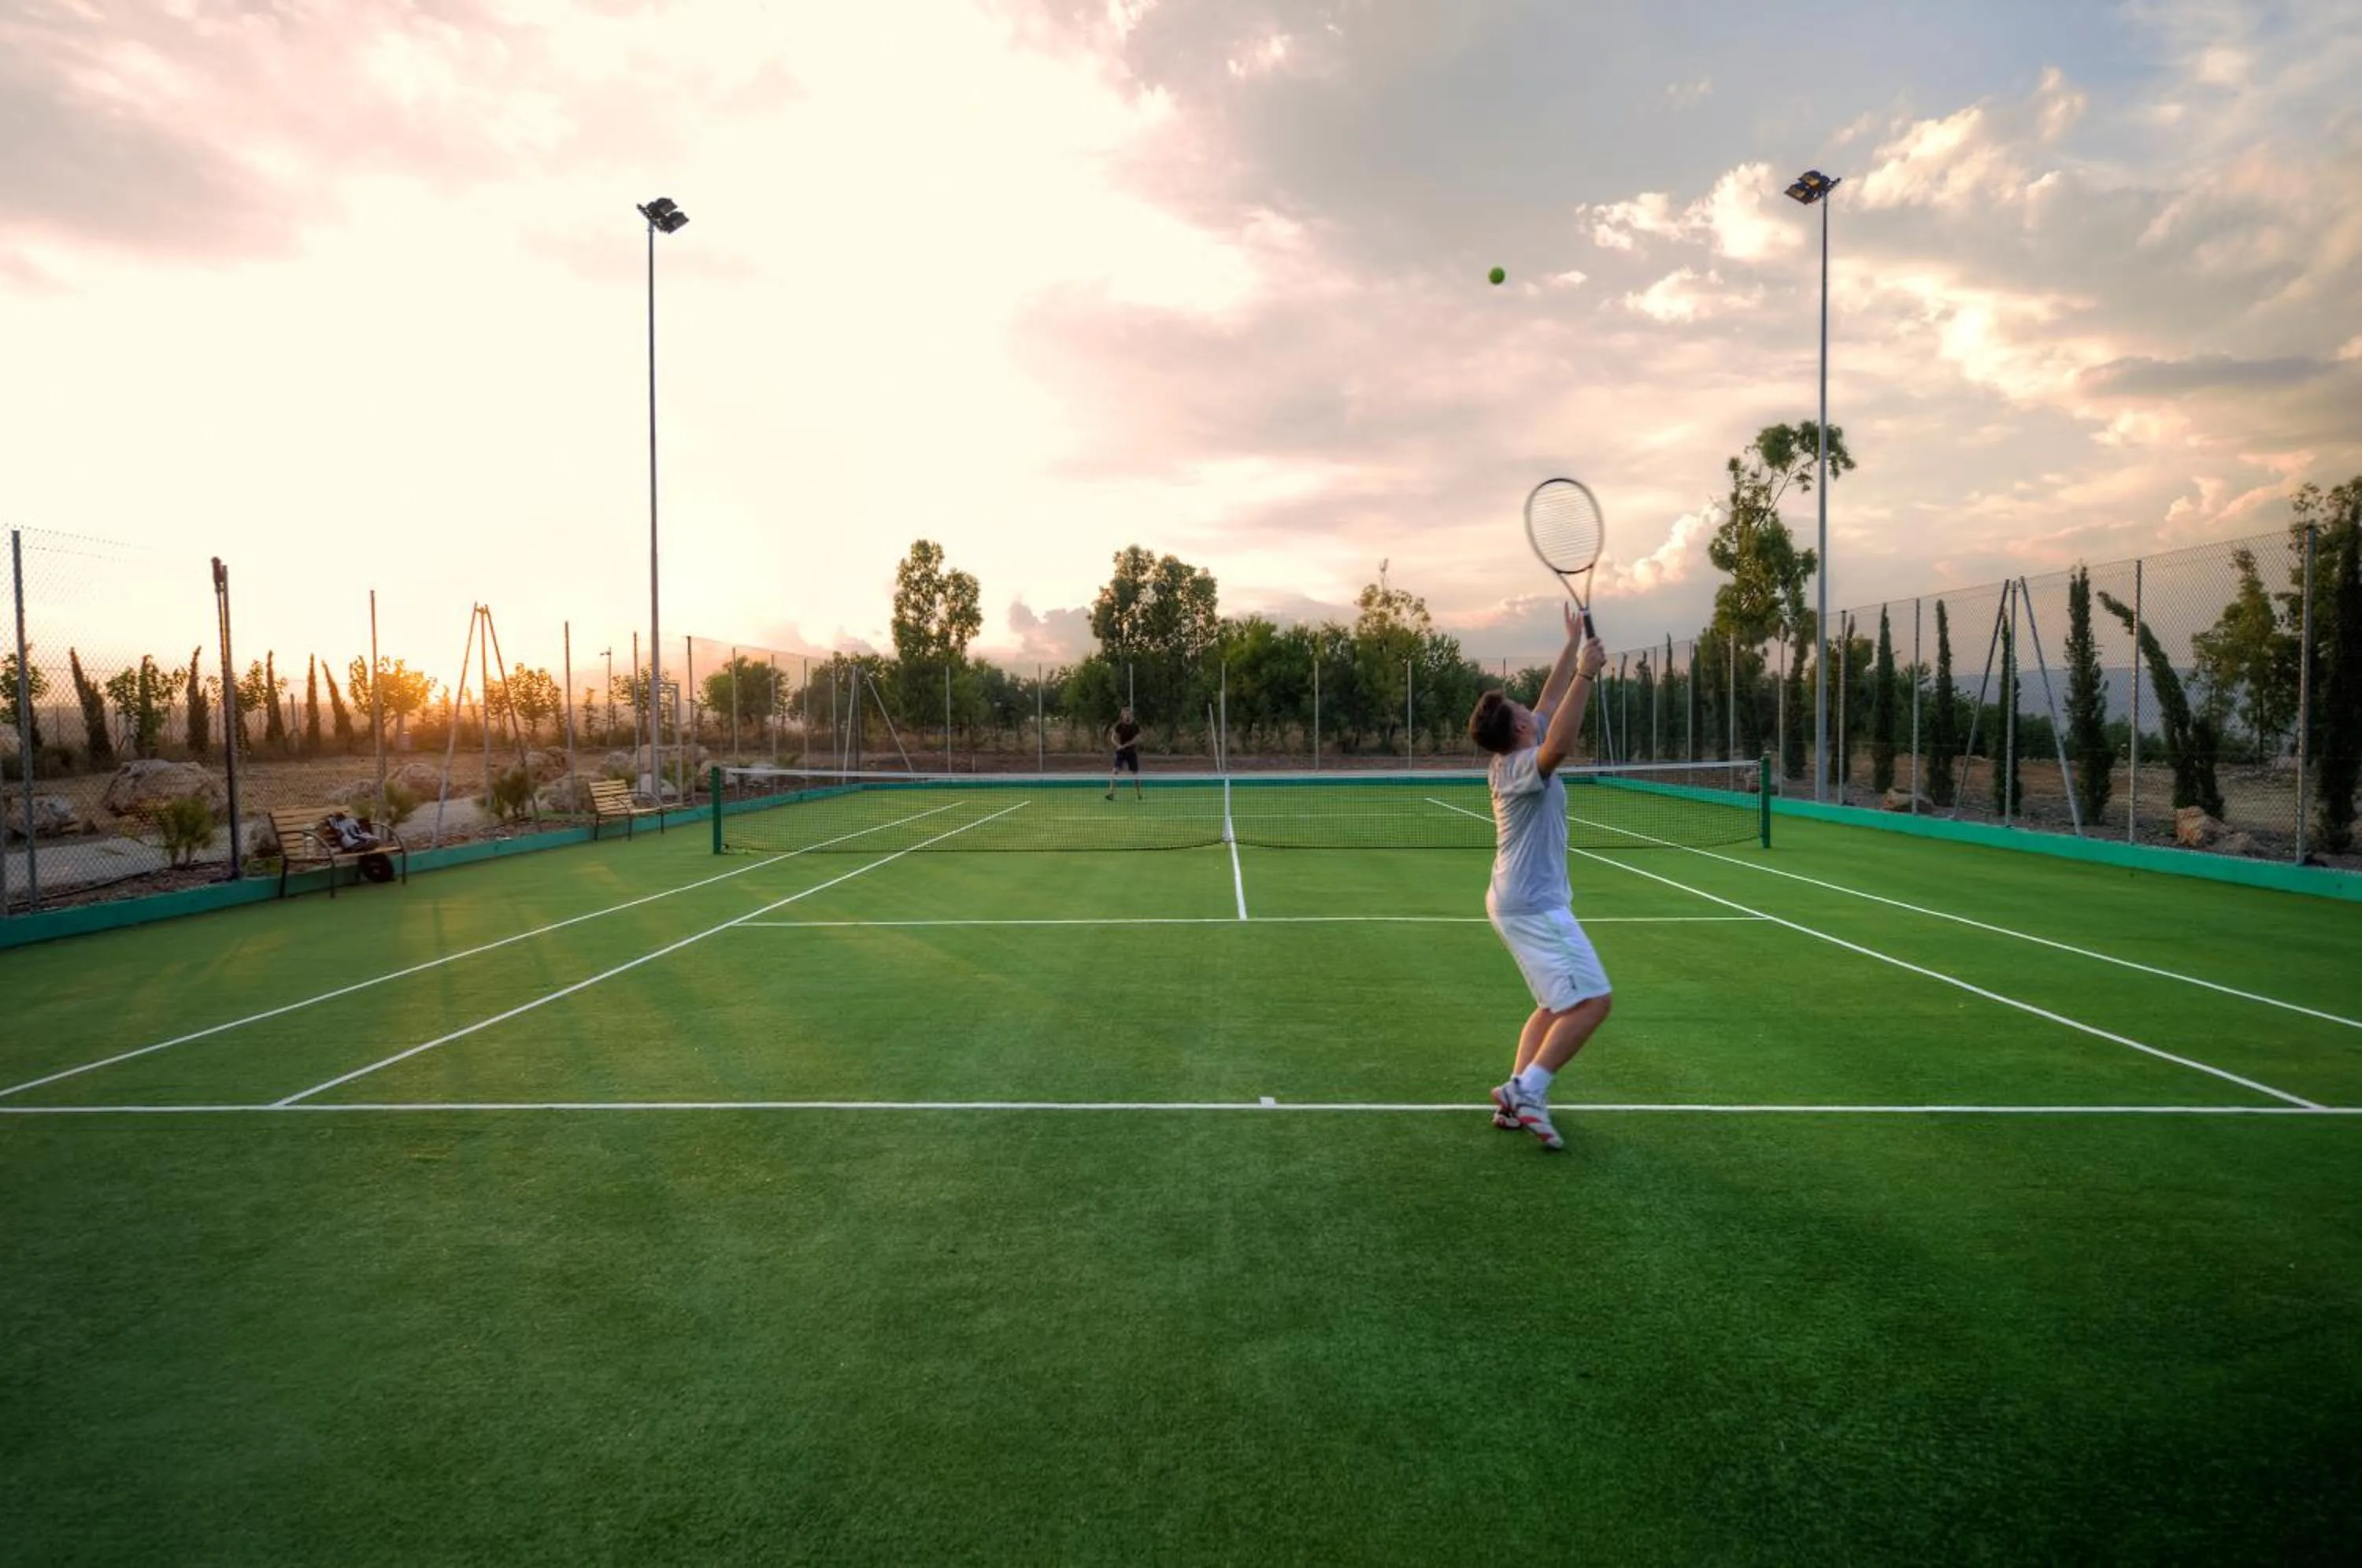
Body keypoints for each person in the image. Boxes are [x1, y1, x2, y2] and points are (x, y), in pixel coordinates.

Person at [1464, 604, 1610, 1152]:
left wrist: (1572, 645)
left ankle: (1514, 1099)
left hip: (1515, 900)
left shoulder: (1512, 749)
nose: (1532, 707)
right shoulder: (1526, 766)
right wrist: (1587, 673)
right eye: (1524, 709)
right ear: (1521, 728)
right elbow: (1562, 744)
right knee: (1593, 1001)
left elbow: (1549, 704)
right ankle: (1529, 1089)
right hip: (1533, 905)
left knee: (1554, 1006)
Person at [1105, 706, 1144, 800]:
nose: (1127, 716)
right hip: (1121, 753)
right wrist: (1117, 745)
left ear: (1131, 715)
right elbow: (1113, 737)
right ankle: (1111, 793)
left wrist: (1126, 745)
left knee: (1135, 774)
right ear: (1122, 716)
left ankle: (1139, 794)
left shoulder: (1135, 726)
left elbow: (1137, 739)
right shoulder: (1119, 725)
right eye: (1125, 715)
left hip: (1131, 752)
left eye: (1129, 714)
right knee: (1115, 772)